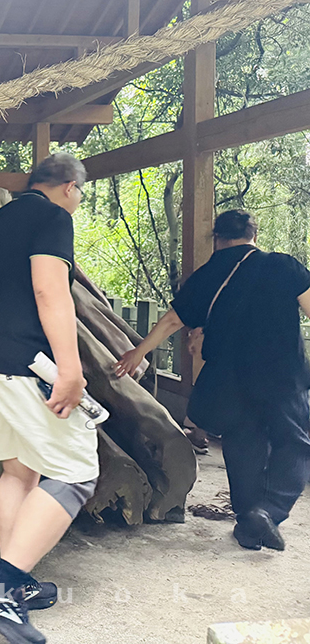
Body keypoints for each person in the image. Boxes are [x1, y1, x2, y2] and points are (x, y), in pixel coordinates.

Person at [0, 152, 98, 644]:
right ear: (68, 186)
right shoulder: (53, 216)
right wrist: (71, 368)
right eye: (81, 192)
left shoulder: (1, 218)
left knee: (20, 470)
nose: (78, 201)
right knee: (77, 470)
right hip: (23, 363)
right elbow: (49, 291)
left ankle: (12, 577)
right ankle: (1, 586)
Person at [115, 209, 310, 551]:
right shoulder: (284, 265)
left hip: (229, 381)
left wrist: (139, 352)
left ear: (217, 239)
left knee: (242, 449)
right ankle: (268, 510)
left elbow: (173, 321)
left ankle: (249, 526)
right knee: (294, 445)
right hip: (282, 376)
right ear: (254, 233)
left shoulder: (207, 275)